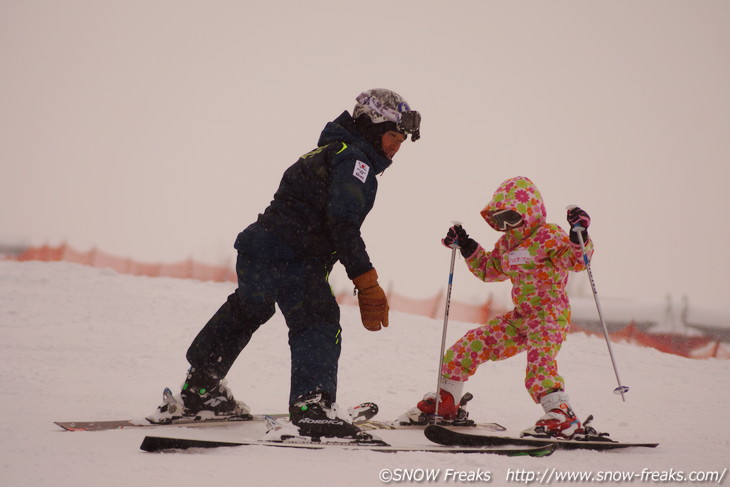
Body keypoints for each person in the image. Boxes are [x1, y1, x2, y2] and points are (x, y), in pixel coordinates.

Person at [147, 89, 421, 439]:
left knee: (248, 309)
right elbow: (342, 223)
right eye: (392, 135)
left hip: (257, 251)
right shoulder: (356, 162)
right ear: (370, 128)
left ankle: (201, 388)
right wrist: (366, 281)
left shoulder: (327, 151)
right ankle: (313, 407)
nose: (396, 146)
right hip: (293, 259)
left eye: (401, 139)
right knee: (317, 320)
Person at [403, 176, 594, 439]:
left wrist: (578, 234)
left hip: (549, 313)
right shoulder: (507, 243)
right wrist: (467, 246)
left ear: (528, 212)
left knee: (540, 364)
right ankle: (446, 403)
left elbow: (576, 261)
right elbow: (490, 270)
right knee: (469, 345)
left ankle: (562, 415)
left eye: (511, 217)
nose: (505, 225)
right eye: (500, 219)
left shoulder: (548, 234)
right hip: (521, 315)